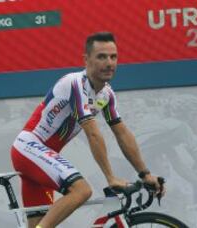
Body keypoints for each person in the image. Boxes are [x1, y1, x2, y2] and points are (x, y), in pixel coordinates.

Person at [10, 31, 165, 228]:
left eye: (113, 57)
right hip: (28, 148)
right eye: (101, 57)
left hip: (40, 158)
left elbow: (122, 132)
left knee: (37, 224)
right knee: (81, 190)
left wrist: (145, 174)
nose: (109, 63)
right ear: (86, 59)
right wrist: (110, 177)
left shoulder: (106, 95)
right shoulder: (75, 84)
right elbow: (92, 133)